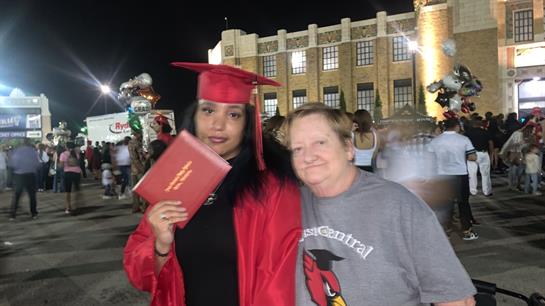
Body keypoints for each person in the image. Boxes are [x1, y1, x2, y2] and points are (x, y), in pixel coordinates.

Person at [124, 62, 301, 306]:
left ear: (247, 123)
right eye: (208, 110)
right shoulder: (177, 178)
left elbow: (279, 285)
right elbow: (139, 276)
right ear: (194, 117)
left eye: (233, 114)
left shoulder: (273, 188)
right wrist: (160, 246)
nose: (218, 125)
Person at [281, 103, 475, 306]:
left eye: (320, 143)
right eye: (298, 148)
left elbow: (455, 298)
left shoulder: (398, 205)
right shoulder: (286, 207)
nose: (308, 157)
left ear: (348, 148)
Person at [428, 118, 479, 239]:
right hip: (460, 174)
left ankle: (445, 230)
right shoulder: (463, 139)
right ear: (457, 126)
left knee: (444, 204)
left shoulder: (435, 141)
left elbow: (429, 159)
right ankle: (466, 230)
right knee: (463, 203)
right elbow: (472, 157)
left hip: (441, 175)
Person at [9, 138, 40, 220]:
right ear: (29, 143)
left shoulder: (16, 151)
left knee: (17, 195)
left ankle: (13, 214)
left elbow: (13, 164)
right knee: (32, 196)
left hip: (19, 176)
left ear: (22, 143)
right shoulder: (33, 152)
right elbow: (37, 164)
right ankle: (34, 214)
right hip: (31, 175)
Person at [465, 118, 493, 196]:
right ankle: (487, 191)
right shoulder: (485, 132)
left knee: (472, 173)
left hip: (471, 154)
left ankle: (473, 191)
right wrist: (491, 154)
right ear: (480, 123)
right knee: (485, 173)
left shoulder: (468, 133)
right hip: (484, 153)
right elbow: (490, 143)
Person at [59, 141, 82, 214]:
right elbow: (78, 164)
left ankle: (68, 207)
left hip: (68, 173)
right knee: (77, 190)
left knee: (67, 191)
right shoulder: (77, 154)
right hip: (77, 173)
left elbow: (61, 166)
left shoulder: (63, 154)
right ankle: (76, 205)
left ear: (66, 147)